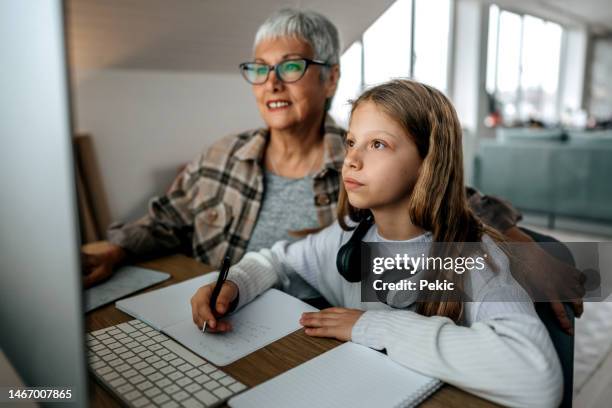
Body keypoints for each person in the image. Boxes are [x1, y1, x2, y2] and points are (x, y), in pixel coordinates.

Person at [81, 8, 582, 332]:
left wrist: (522, 246)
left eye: (290, 67)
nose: (272, 83)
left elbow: (458, 198)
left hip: (313, 334)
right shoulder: (221, 156)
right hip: (220, 315)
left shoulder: (358, 159)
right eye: (259, 69)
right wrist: (117, 246)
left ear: (330, 77)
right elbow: (167, 218)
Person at [190, 80, 563, 407]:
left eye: (378, 145)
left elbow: (538, 378)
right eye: (352, 142)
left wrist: (373, 326)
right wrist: (235, 284)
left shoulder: (472, 258)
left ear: (426, 164)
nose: (351, 159)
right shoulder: (347, 236)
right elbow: (276, 262)